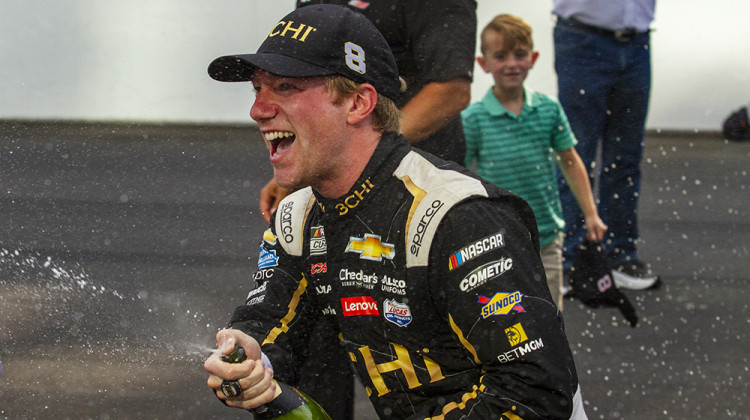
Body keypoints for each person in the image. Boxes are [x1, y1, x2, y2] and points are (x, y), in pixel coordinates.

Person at [204, 5, 587, 419]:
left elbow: (535, 394)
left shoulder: (456, 216)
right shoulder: (297, 217)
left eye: (285, 88)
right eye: (257, 89)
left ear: (358, 103)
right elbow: (268, 322)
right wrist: (248, 357)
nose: (258, 109)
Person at [259, 0, 477, 224]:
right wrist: (297, 163)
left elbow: (451, 90)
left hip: (415, 179)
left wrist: (369, 151)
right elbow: (299, 78)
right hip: (336, 182)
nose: (257, 111)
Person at [462, 14, 607, 309]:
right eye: (500, 56)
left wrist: (590, 213)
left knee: (550, 314)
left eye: (520, 54)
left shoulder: (549, 110)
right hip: (497, 239)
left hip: (547, 238)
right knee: (504, 316)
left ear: (533, 58)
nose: (512, 63)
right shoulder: (473, 119)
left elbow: (570, 161)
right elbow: (461, 176)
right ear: (483, 64)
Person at [552, 0, 660, 290]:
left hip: (636, 42)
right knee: (574, 154)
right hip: (583, 40)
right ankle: (568, 260)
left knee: (625, 158)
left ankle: (619, 256)